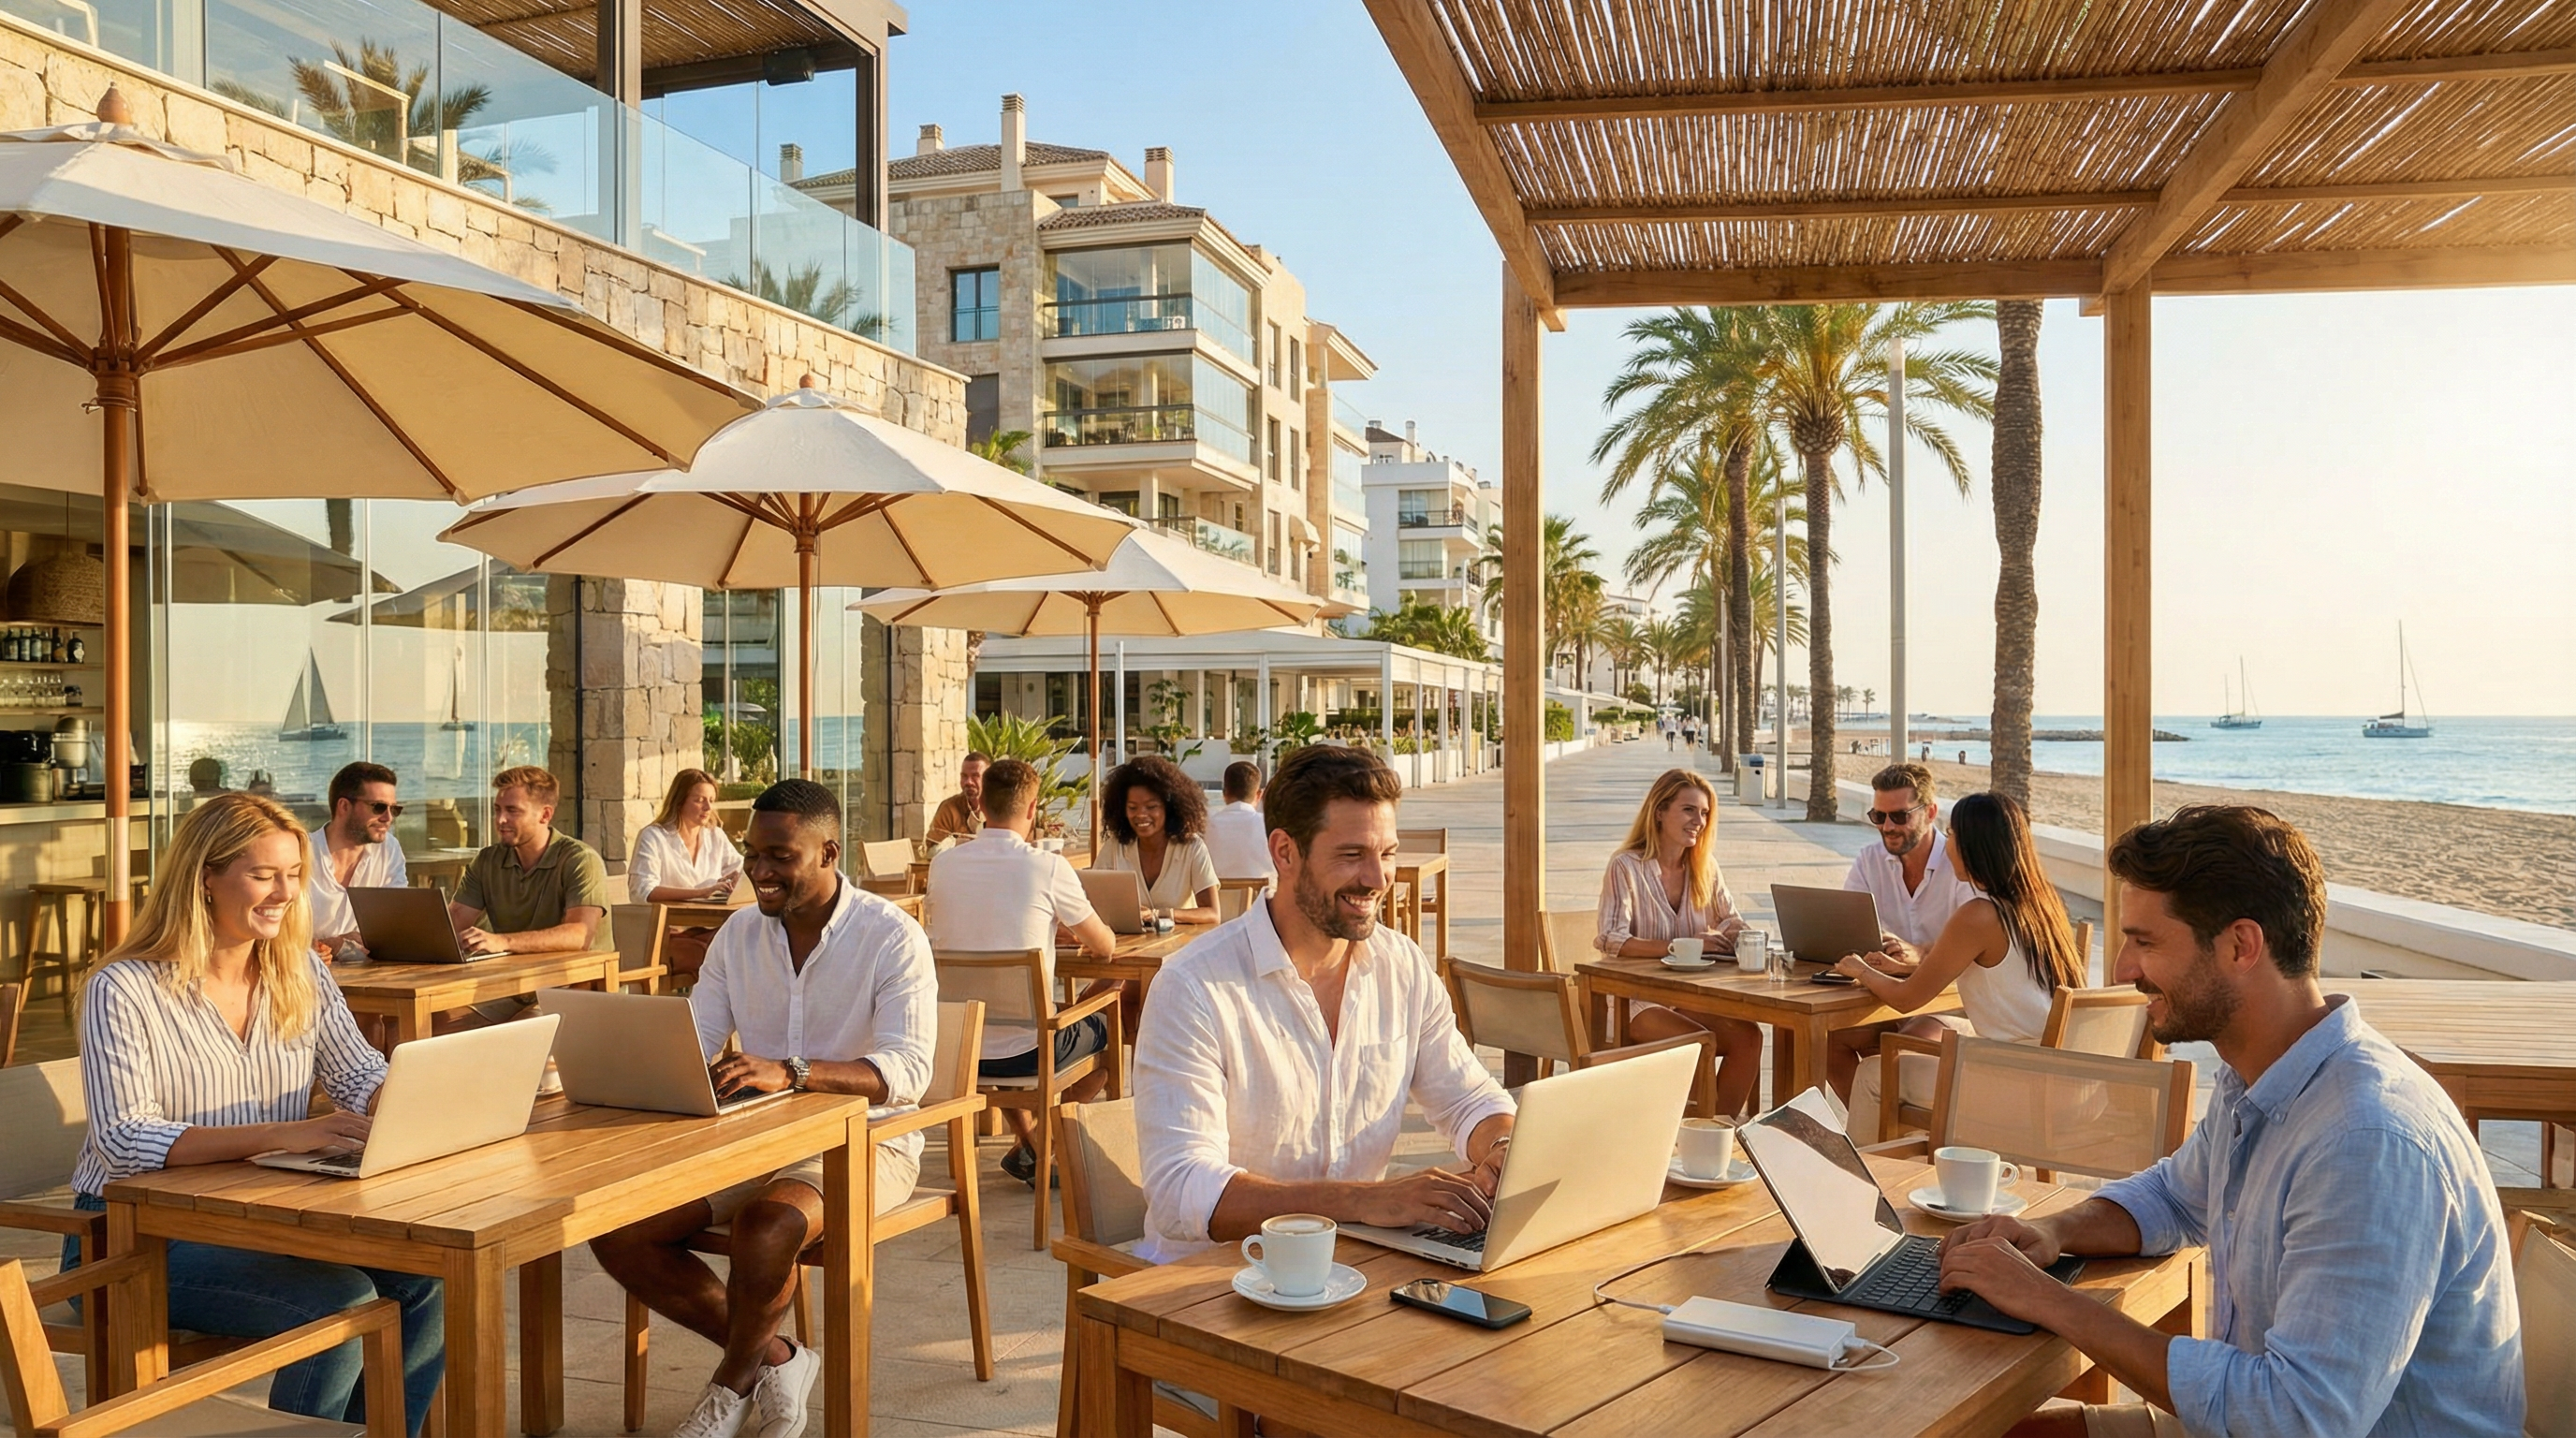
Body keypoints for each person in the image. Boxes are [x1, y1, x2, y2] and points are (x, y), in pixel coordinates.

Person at [1939, 805, 2524, 1438]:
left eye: (2145, 941)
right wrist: (2052, 1230)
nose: (2122, 971)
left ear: (2241, 945)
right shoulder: (2261, 1072)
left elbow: (2295, 1419)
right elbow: (2174, 1195)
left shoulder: (2366, 1141)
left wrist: (2049, 1300)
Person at [66, 794, 445, 1435]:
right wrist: (286, 1133)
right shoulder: (124, 988)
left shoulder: (297, 970)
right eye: (263, 875)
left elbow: (357, 1075)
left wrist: (420, 1100)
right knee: (340, 1303)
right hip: (133, 1239)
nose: (285, 893)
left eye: (294, 874)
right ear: (204, 877)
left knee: (422, 1280)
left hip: (256, 1218)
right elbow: (125, 1141)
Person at [590, 779, 937, 1438]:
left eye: (780, 856)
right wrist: (627, 1063)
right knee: (615, 1227)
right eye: (753, 854)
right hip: (751, 1136)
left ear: (830, 851)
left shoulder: (892, 938)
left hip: (866, 1142)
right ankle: (778, 1355)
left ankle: (732, 1384)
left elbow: (909, 1072)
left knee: (766, 1227)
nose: (760, 871)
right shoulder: (739, 936)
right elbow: (695, 1039)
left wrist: (793, 1072)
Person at [1134, 744, 1514, 1262]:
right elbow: (1182, 1192)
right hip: (1217, 1284)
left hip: (1357, 1269)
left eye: (1387, 853)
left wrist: (1500, 1148)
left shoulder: (1401, 966)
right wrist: (1363, 1201)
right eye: (1352, 855)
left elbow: (1469, 1100)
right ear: (1285, 852)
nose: (1379, 880)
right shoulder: (1194, 987)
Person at [1825, 792, 2086, 1140]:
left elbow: (1905, 1001)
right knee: (1899, 1059)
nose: (1948, 847)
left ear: (1974, 846)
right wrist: (1900, 968)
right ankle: (1909, 1160)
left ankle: (1867, 1178)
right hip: (2064, 1081)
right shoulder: (2041, 907)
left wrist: (1861, 970)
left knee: (1874, 1074)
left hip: (2017, 1085)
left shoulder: (1978, 915)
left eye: (1954, 836)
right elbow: (1993, 972)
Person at [928, 757, 1120, 1188]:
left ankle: (1030, 1144)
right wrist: (1066, 930)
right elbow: (1106, 948)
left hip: (959, 1048)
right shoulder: (1047, 867)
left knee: (1009, 1021)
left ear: (981, 807)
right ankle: (1047, 1146)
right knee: (1109, 1021)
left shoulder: (944, 866)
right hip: (1027, 1054)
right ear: (1033, 808)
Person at [1593, 768, 1768, 1116]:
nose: (1699, 821)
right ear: (1660, 811)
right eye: (1689, 810)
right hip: (1632, 1001)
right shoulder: (1626, 866)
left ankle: (1717, 1131)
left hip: (1685, 997)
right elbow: (1613, 940)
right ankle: (1688, 1139)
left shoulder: (1705, 867)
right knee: (1700, 1045)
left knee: (1749, 1037)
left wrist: (1740, 934)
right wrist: (1685, 944)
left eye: (1704, 813)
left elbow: (1729, 917)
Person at [1843, 762, 1973, 961]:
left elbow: (1973, 936)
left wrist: (1921, 952)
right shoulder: (1869, 861)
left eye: (1899, 816)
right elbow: (1849, 926)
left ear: (1930, 813)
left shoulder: (1963, 866)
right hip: (1884, 982)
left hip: (1951, 988)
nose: (1887, 827)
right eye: (1878, 816)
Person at [630, 768, 744, 986]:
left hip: (710, 929)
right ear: (680, 801)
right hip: (667, 934)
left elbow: (741, 868)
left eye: (711, 800)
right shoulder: (654, 837)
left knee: (749, 946)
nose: (708, 807)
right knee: (728, 957)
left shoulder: (715, 836)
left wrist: (738, 880)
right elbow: (642, 891)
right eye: (699, 800)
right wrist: (700, 892)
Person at [1095, 756, 1221, 924]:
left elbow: (1212, 914)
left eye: (1151, 807)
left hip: (1181, 947)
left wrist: (1159, 914)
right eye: (1133, 807)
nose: (1140, 814)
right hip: (1127, 947)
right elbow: (1092, 903)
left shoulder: (1191, 847)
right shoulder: (1114, 847)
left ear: (1169, 808)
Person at [306, 761, 408, 960]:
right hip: (305, 979)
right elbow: (275, 934)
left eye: (394, 809)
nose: (388, 818)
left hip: (370, 975)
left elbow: (395, 924)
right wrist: (332, 944)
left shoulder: (389, 849)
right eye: (378, 807)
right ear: (344, 806)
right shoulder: (301, 854)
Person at [1201, 760, 1275, 884]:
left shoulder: (1205, 825)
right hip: (1258, 901)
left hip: (1215, 901)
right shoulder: (1268, 826)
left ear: (1224, 793)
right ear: (1259, 795)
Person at [925, 752, 990, 845]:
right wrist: (958, 843)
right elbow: (932, 847)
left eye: (975, 776)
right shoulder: (949, 808)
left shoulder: (1001, 807)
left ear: (988, 778)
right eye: (964, 776)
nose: (968, 782)